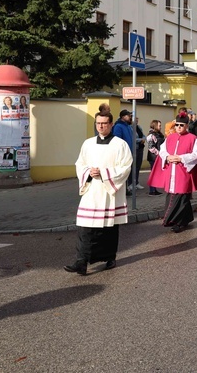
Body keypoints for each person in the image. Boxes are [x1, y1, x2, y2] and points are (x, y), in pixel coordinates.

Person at [64, 111, 132, 275]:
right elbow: (80, 164)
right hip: (91, 190)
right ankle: (81, 262)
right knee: (84, 226)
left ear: (111, 125)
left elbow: (125, 167)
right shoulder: (87, 143)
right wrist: (88, 172)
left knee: (108, 227)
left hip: (109, 191)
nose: (101, 126)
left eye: (104, 123)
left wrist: (104, 173)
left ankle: (109, 257)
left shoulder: (120, 144)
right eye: (98, 123)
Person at [148, 111, 197, 233]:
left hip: (183, 171)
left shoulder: (193, 138)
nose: (178, 127)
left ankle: (176, 221)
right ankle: (187, 218)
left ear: (186, 126)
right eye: (177, 125)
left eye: (181, 125)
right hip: (171, 170)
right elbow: (162, 150)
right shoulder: (170, 137)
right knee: (173, 194)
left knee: (182, 195)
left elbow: (196, 154)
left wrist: (181, 158)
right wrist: (167, 157)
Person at [112, 109, 135, 194]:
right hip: (122, 152)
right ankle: (122, 189)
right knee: (122, 171)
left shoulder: (127, 126)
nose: (130, 117)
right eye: (128, 115)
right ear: (123, 117)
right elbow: (117, 139)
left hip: (129, 151)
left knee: (127, 172)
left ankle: (126, 189)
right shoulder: (118, 126)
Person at [146, 120, 165, 195]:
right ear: (155, 126)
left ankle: (155, 189)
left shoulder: (159, 134)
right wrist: (159, 153)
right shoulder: (151, 135)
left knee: (156, 173)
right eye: (159, 125)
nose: (160, 127)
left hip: (158, 156)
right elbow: (151, 148)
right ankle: (152, 190)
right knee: (153, 173)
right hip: (153, 157)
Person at [133, 118, 146, 189]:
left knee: (138, 166)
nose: (136, 122)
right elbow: (133, 138)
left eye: (137, 120)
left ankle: (136, 182)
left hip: (141, 148)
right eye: (135, 120)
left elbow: (144, 135)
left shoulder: (139, 127)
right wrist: (141, 140)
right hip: (135, 148)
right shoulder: (130, 128)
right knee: (133, 167)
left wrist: (143, 139)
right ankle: (131, 183)